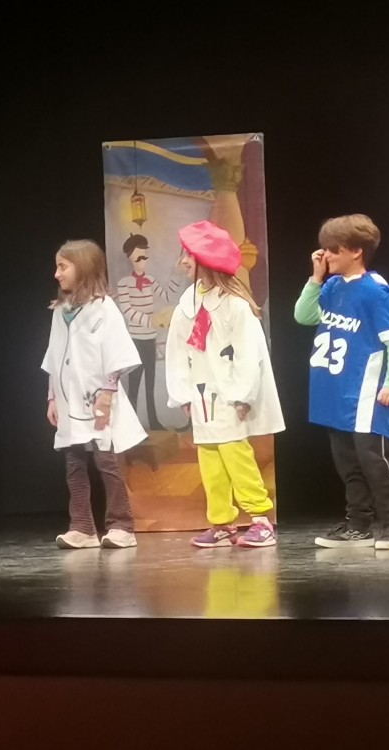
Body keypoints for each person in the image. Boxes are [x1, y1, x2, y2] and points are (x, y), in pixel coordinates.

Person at [293, 214, 389, 550]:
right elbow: (303, 316)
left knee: (374, 460)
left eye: (334, 249)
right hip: (335, 390)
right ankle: (358, 525)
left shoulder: (377, 291)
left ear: (356, 251)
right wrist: (315, 279)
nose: (326, 255)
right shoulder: (331, 287)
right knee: (347, 462)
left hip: (366, 391)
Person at [165, 220, 284, 548]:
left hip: (229, 393)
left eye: (189, 255)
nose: (183, 262)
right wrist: (183, 393)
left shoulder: (234, 304)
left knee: (235, 453)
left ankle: (260, 519)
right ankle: (221, 523)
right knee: (210, 458)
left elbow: (248, 353)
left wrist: (242, 394)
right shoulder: (187, 302)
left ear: (205, 259)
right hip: (201, 393)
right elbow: (178, 350)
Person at [42, 240, 147, 549]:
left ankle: (122, 525)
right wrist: (52, 397)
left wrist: (108, 392)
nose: (57, 273)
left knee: (106, 460)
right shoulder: (61, 311)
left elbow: (117, 352)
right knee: (74, 462)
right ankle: (83, 527)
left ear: (83, 267)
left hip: (99, 398)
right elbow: (54, 356)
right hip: (69, 399)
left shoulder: (104, 308)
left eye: (63, 267)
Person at [116, 233, 186, 430]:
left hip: (150, 339)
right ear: (130, 258)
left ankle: (153, 421)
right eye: (138, 258)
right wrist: (150, 320)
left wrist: (176, 273)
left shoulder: (150, 279)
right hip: (135, 340)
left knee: (150, 382)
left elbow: (167, 296)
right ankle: (130, 426)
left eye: (145, 257)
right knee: (134, 382)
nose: (142, 262)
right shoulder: (124, 283)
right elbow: (127, 310)